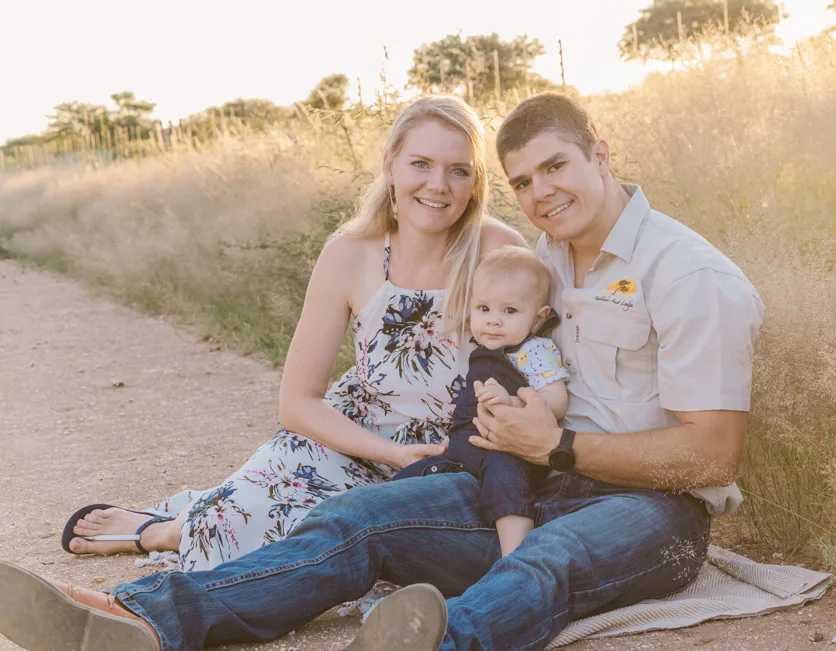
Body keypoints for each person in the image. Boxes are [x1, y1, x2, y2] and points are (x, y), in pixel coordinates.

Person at [0, 92, 764, 651]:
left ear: (602, 153)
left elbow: (710, 455)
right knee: (356, 519)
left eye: (556, 167)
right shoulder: (541, 261)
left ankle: (434, 642)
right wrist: (525, 453)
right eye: (524, 181)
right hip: (527, 479)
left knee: (544, 559)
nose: (542, 193)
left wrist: (556, 447)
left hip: (651, 509)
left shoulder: (689, 274)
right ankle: (139, 618)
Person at [57, 94, 526, 571]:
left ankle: (195, 518)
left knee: (332, 549)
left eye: (458, 170)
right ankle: (165, 532)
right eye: (420, 164)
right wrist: (390, 453)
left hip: (453, 460)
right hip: (353, 441)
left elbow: (540, 359)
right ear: (390, 166)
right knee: (244, 527)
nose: (437, 185)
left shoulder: (501, 251)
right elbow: (298, 402)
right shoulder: (350, 253)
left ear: (475, 182)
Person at [393, 246, 569, 556]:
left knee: (506, 480)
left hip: (509, 448)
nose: (493, 321)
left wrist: (514, 403)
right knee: (407, 479)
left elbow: (557, 401)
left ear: (538, 317)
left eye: (509, 311)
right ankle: (393, 535)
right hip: (465, 448)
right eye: (483, 309)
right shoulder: (481, 347)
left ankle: (513, 557)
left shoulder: (535, 350)